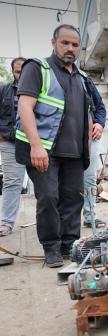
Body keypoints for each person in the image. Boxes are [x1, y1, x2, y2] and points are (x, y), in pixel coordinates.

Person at [15, 24, 105, 267]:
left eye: (75, 45)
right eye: (65, 43)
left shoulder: (82, 77)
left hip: (75, 152)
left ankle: (69, 244)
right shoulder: (37, 68)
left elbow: (96, 108)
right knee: (48, 198)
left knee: (73, 199)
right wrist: (35, 146)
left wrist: (99, 123)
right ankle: (52, 248)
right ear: (53, 42)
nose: (70, 48)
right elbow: (25, 106)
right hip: (46, 151)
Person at [0, 57, 26, 236]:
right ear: (13, 72)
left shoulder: (40, 91)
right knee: (12, 182)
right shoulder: (3, 90)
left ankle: (50, 222)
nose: (22, 75)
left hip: (37, 143)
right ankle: (6, 223)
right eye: (18, 71)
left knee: (47, 184)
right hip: (11, 142)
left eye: (25, 71)